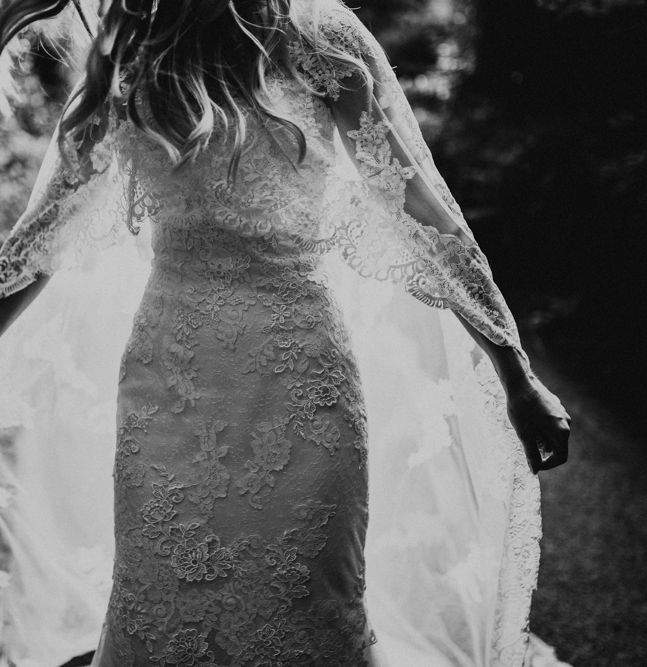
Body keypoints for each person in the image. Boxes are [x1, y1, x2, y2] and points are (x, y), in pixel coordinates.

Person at [0, 0, 571, 665]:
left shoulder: (321, 42)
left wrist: (514, 370)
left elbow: (421, 215)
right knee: (168, 605)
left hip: (304, 386)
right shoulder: (134, 50)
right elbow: (39, 241)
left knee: (311, 604)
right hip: (169, 394)